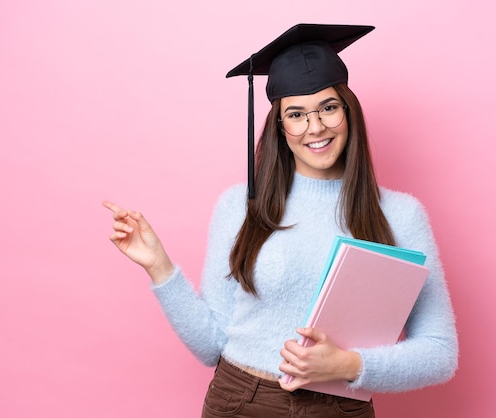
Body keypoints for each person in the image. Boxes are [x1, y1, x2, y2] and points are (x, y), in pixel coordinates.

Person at [104, 23, 458, 418]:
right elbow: (210, 346)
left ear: (348, 111)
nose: (316, 127)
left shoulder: (400, 215)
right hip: (239, 401)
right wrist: (160, 268)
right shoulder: (239, 206)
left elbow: (440, 352)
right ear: (280, 126)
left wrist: (348, 366)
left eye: (328, 108)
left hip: (338, 409)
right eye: (296, 114)